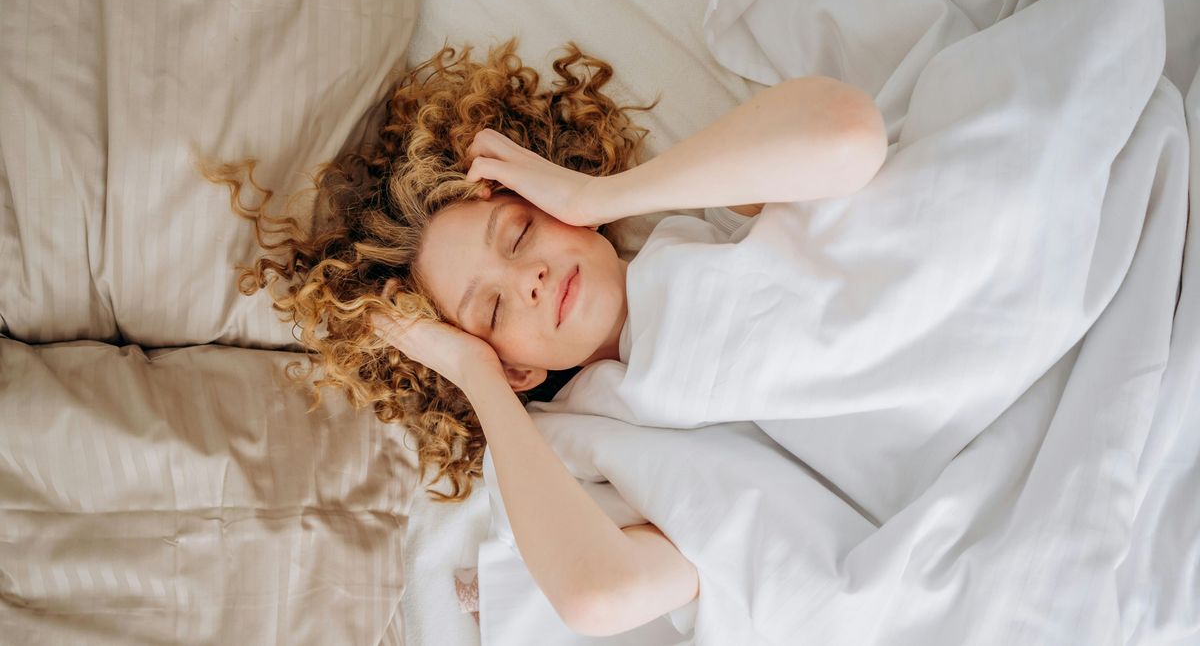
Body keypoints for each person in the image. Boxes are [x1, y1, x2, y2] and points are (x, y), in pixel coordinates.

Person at [209, 39, 886, 637]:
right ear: (519, 371)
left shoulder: (703, 219)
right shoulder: (593, 449)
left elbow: (850, 132)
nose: (528, 279)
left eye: (520, 233)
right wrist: (475, 374)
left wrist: (600, 197)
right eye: (493, 310)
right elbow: (601, 595)